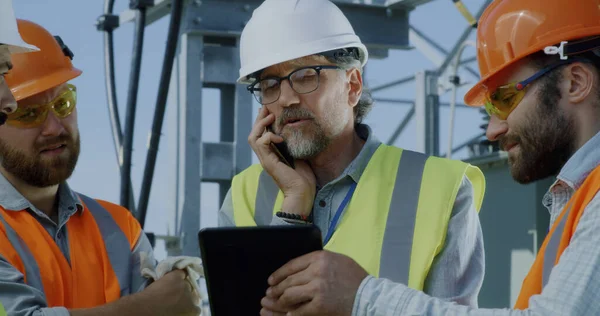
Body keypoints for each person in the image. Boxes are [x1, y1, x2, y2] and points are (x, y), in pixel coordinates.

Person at [257, 1, 600, 315]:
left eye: (504, 99)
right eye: (270, 85)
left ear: (576, 82)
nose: (492, 130)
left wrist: (362, 297)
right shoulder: (579, 197)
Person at [218, 0, 487, 314]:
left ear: (353, 85)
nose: (287, 99)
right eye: (269, 84)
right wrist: (293, 202)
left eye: (306, 76)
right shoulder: (243, 195)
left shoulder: (443, 188)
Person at [0, 19, 201, 316]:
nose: (54, 127)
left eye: (63, 104)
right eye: (29, 113)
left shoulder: (119, 227)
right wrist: (153, 305)